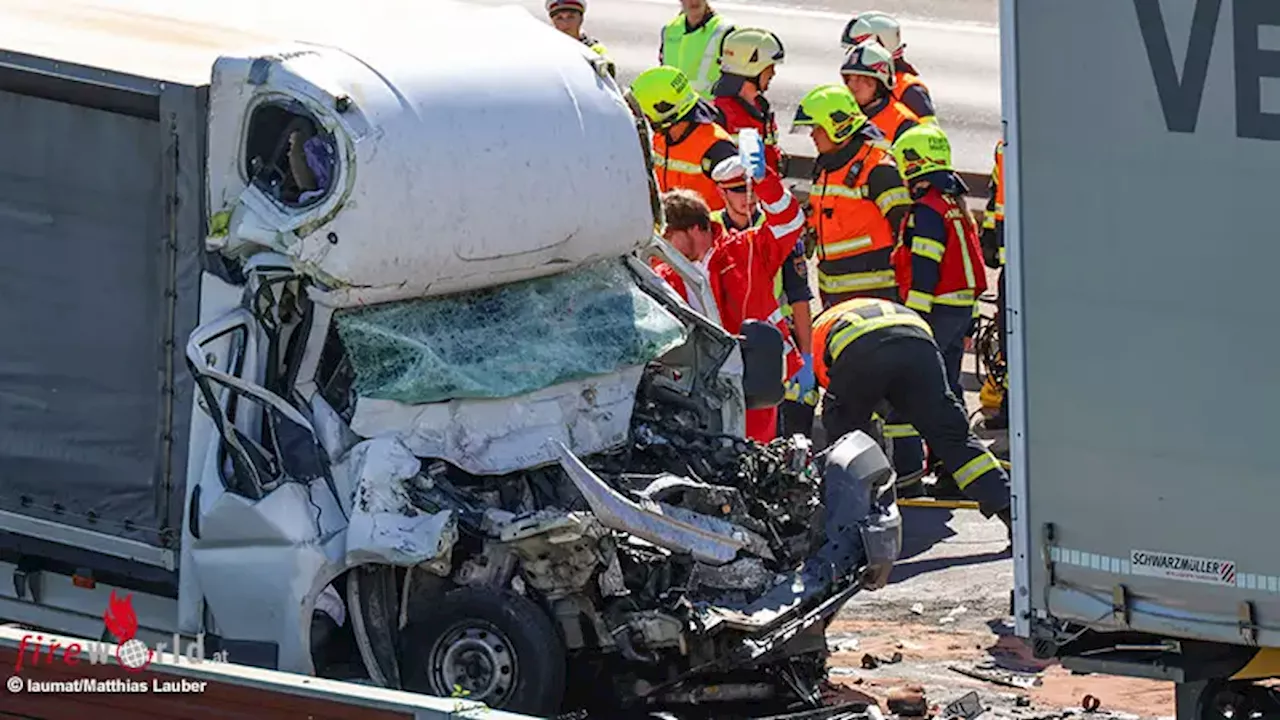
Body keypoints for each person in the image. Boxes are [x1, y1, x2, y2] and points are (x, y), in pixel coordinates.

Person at [812, 297, 1012, 535]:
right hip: (919, 343)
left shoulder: (814, 334)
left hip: (862, 349)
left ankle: (845, 525)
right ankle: (1009, 510)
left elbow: (833, 394)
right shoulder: (860, 310)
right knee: (955, 438)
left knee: (845, 443)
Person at [651, 157, 807, 442]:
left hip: (755, 382)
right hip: (699, 388)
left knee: (756, 461)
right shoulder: (665, 275)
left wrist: (765, 180)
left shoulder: (745, 251)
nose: (662, 247)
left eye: (668, 236)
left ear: (695, 229)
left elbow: (790, 222)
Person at [888, 124, 988, 495]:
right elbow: (969, 268)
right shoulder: (954, 206)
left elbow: (926, 270)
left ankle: (908, 477)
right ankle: (954, 473)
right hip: (958, 314)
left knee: (908, 389)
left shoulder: (927, 210)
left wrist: (911, 321)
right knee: (948, 392)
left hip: (934, 314)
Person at [707, 154, 818, 436]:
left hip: (765, 346)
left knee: (763, 434)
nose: (748, 197)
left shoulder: (775, 233)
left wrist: (806, 358)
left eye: (751, 188)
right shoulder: (707, 231)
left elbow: (800, 297)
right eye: (737, 190)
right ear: (721, 192)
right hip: (718, 344)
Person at [792, 84, 910, 307]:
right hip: (833, 294)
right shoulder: (826, 168)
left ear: (838, 126)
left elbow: (906, 230)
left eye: (817, 127)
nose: (812, 134)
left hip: (875, 297)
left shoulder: (878, 170)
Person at [631, 66, 739, 212]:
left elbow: (741, 208)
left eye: (645, 114)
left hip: (707, 232)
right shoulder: (661, 138)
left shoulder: (716, 147)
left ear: (663, 109)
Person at [840, 11, 936, 124]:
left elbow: (930, 133)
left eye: (856, 49)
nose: (852, 57)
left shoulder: (910, 90)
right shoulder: (858, 85)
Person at [713, 28, 786, 174]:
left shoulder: (762, 109)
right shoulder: (718, 116)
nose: (773, 73)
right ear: (752, 67)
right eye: (769, 67)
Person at [977, 139, 1009, 432]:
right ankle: (1010, 403)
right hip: (1011, 263)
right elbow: (995, 198)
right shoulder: (1002, 146)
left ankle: (1015, 405)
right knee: (1009, 337)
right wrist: (989, 235)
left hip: (1035, 263)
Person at [840, 40, 920, 144]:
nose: (852, 86)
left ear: (881, 83)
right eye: (849, 78)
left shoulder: (905, 124)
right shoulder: (841, 115)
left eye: (862, 78)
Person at [658, 0, 735, 100]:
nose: (694, 1)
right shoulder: (669, 30)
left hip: (710, 110)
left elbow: (736, 81)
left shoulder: (724, 30)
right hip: (675, 109)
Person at [546, 0, 617, 78]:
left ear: (581, 19)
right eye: (559, 18)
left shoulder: (594, 50)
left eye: (571, 17)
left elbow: (608, 74)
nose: (565, 23)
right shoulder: (544, 48)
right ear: (552, 21)